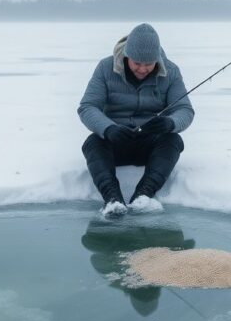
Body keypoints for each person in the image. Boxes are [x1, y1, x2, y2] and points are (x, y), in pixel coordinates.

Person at [78, 23, 195, 215]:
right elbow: (87, 107)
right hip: (115, 141)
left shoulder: (171, 71)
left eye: (148, 64)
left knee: (173, 140)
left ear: (157, 59)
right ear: (126, 56)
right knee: (93, 143)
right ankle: (112, 200)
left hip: (150, 144)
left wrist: (170, 123)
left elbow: (185, 110)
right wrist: (108, 129)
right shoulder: (105, 68)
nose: (142, 69)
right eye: (137, 63)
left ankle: (143, 197)